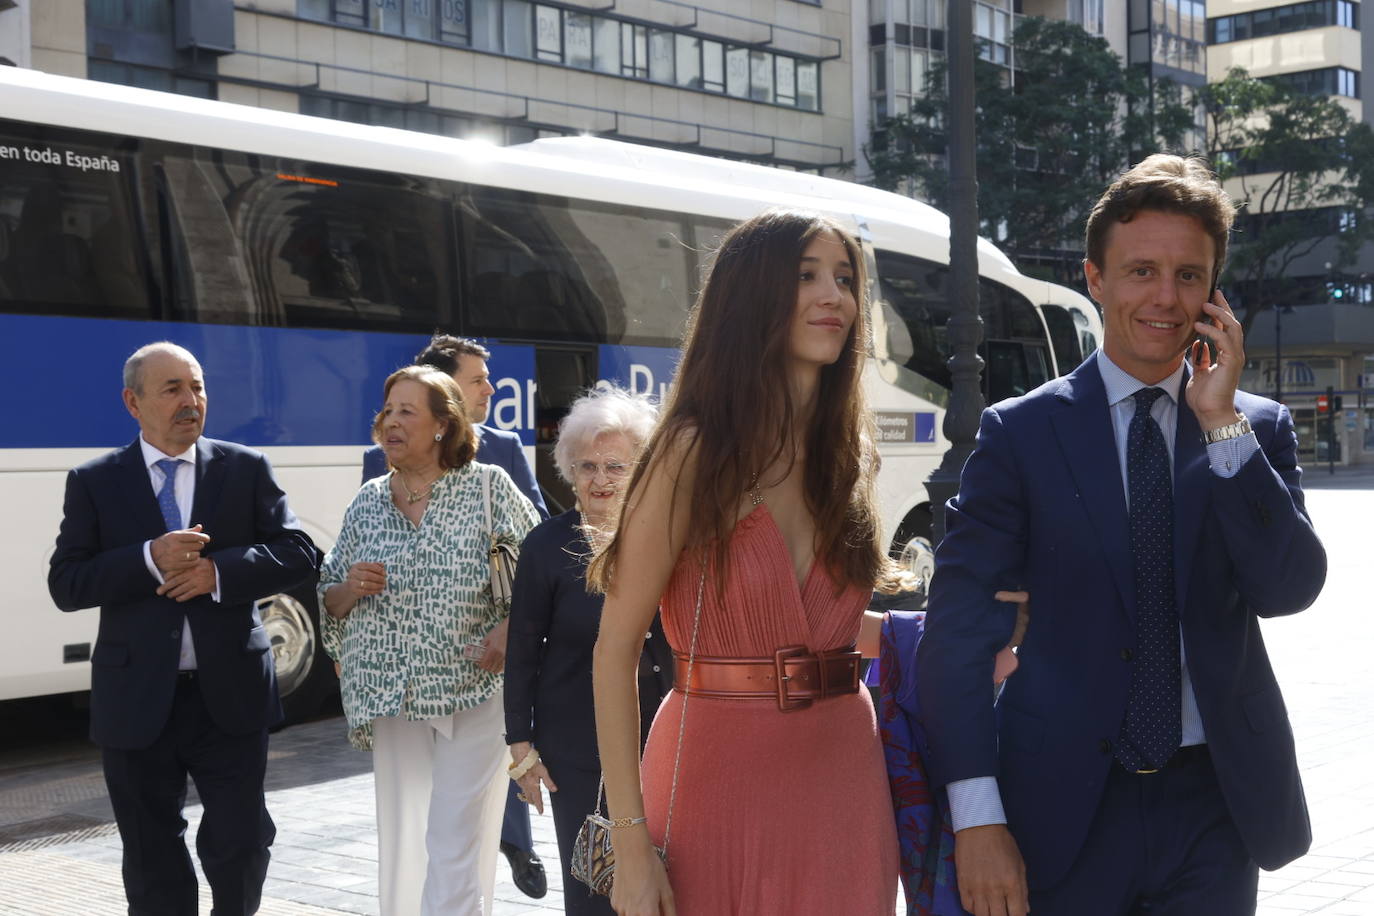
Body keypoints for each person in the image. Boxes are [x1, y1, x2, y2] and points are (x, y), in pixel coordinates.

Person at [917, 154, 1328, 916]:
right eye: (1141, 271)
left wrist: (1220, 423)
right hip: (1063, 807)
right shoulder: (1021, 433)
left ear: (1214, 293)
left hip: (1218, 807)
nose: (1165, 298)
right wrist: (977, 817)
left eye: (1189, 276)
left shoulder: (1251, 429)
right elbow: (956, 637)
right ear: (1095, 279)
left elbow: (1287, 588)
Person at [588, 209, 905, 915]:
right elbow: (614, 652)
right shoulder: (691, 451)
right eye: (807, 276)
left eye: (846, 279)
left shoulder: (847, 454)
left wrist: (969, 631)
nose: (835, 296)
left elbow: (824, 628)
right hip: (713, 777)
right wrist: (631, 849)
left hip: (845, 783)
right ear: (751, 295)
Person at [48, 341, 321, 915]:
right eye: (172, 389)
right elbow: (67, 583)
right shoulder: (96, 480)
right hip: (137, 700)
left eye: (196, 387)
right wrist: (149, 556)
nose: (189, 401)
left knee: (242, 842)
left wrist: (216, 573)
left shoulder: (244, 468)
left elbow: (299, 552)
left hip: (229, 697)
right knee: (150, 854)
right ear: (133, 402)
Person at [322, 366, 540, 915]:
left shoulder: (489, 487)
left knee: (452, 839)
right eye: (387, 412)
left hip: (474, 688)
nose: (390, 423)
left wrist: (510, 629)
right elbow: (329, 595)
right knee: (407, 838)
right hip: (394, 698)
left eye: (406, 412)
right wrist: (349, 589)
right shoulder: (369, 500)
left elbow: (546, 573)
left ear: (443, 425)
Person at [504, 386, 674, 916]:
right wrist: (521, 748)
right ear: (568, 471)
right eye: (587, 466)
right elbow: (522, 650)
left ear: (642, 470)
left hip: (666, 738)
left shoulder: (671, 539)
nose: (599, 480)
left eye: (615, 467)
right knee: (595, 889)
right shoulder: (544, 546)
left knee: (674, 881)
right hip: (577, 749)